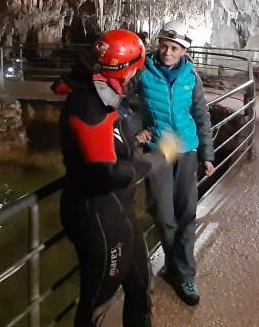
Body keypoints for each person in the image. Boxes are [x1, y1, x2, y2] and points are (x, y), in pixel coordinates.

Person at [59, 29, 181, 327]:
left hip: (120, 214)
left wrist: (135, 140)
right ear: (124, 69)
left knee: (140, 287)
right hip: (98, 217)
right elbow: (107, 174)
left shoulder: (107, 95)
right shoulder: (89, 106)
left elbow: (113, 144)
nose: (134, 78)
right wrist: (155, 159)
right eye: (134, 70)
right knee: (96, 305)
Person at [132, 20, 214, 306]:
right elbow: (121, 104)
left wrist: (208, 154)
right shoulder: (142, 73)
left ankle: (185, 275)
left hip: (187, 150)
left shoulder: (191, 76)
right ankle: (172, 262)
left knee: (186, 214)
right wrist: (134, 130)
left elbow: (201, 115)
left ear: (183, 51)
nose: (168, 52)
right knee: (164, 215)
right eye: (165, 46)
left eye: (175, 48)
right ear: (158, 45)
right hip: (159, 151)